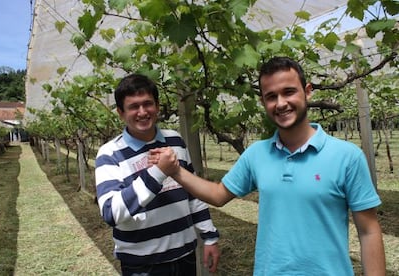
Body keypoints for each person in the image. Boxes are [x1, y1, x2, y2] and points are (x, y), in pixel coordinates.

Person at [150, 56, 386, 275]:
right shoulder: (256, 154)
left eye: (289, 92)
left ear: (307, 92)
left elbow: (369, 231)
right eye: (271, 96)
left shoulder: (347, 157)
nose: (280, 103)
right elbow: (218, 194)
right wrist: (176, 171)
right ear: (263, 101)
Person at [95, 73, 220, 276]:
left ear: (158, 107)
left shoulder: (175, 140)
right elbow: (111, 213)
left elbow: (192, 194)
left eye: (148, 104)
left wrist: (210, 236)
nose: (142, 112)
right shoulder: (110, 153)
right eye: (134, 106)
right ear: (120, 112)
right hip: (143, 266)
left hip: (185, 256)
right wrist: (158, 173)